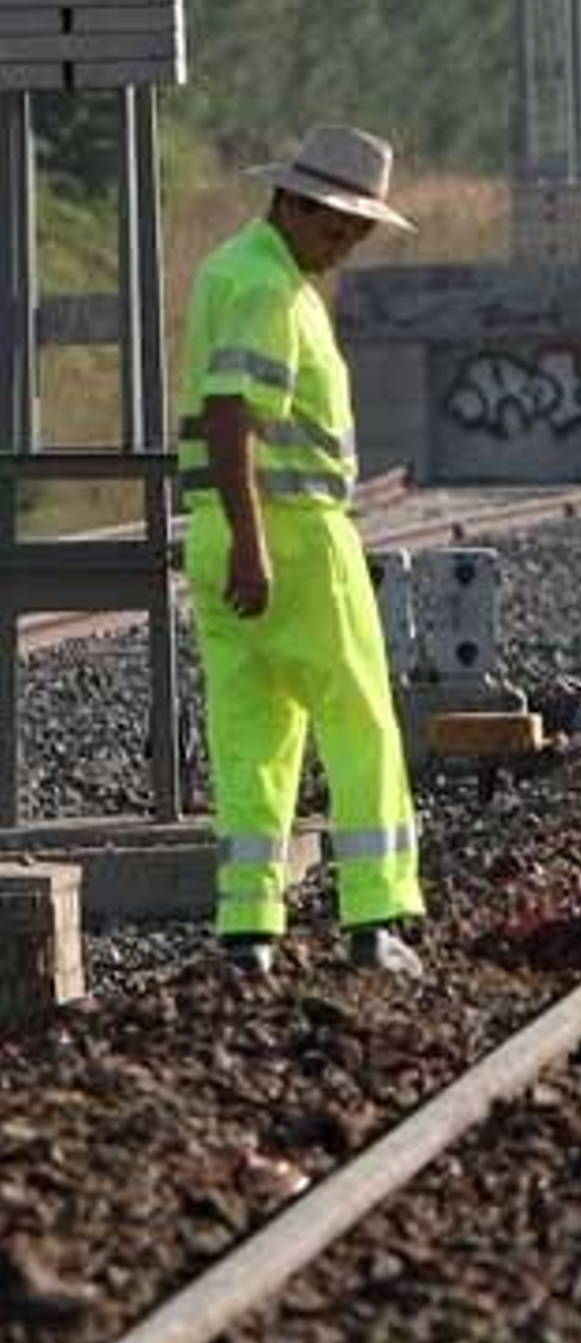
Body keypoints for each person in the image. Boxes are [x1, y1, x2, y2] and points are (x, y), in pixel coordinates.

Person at [178, 123, 426, 978]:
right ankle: (375, 917)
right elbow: (229, 418)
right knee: (359, 721)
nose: (344, 243)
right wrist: (257, 545)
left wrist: (236, 541)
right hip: (292, 537)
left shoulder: (231, 270)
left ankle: (247, 933)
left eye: (356, 231)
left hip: (219, 531)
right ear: (287, 201)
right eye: (333, 225)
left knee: (251, 733)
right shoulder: (273, 295)